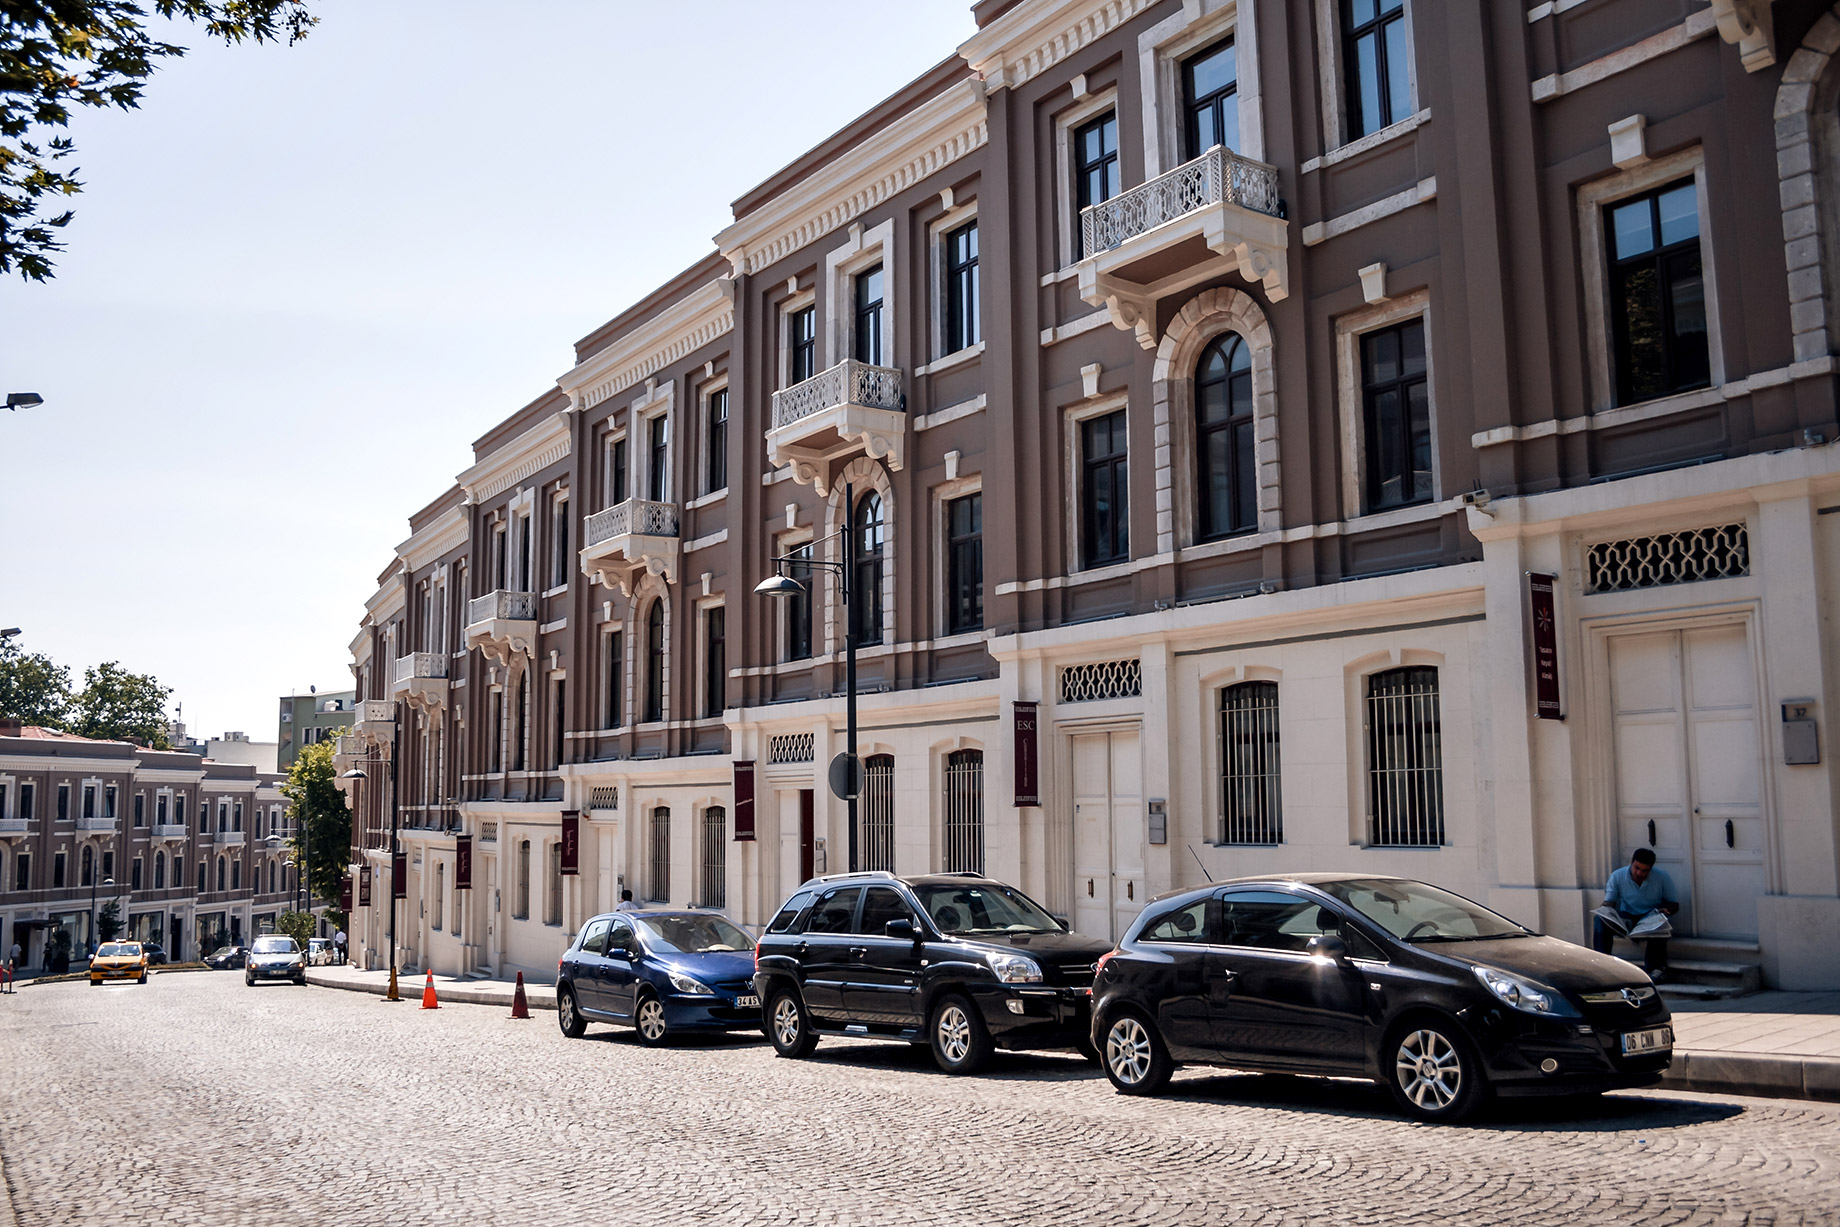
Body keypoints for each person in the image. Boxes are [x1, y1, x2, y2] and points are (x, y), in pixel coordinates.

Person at [1592, 848, 1679, 978]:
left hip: (1650, 917)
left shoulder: (1662, 877)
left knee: (1662, 923)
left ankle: (1655, 969)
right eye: (1636, 868)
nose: (1639, 873)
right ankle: (1602, 964)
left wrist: (1666, 910)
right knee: (1599, 920)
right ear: (1631, 863)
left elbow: (1674, 904)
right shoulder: (1618, 876)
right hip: (1627, 917)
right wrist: (1605, 910)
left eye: (1644, 870)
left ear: (1651, 869)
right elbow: (1609, 901)